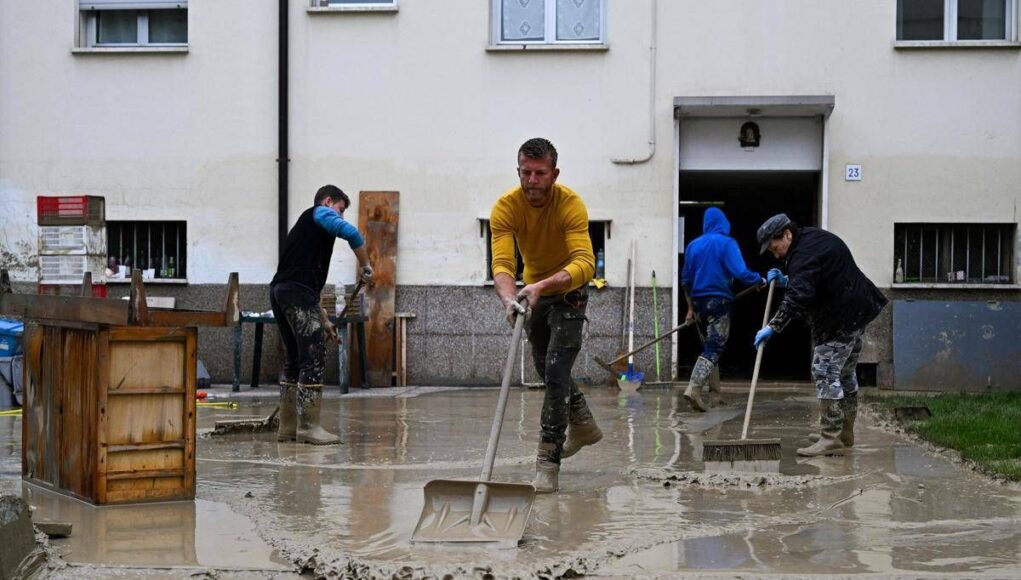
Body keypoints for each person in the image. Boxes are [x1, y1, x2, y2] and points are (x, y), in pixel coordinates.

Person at [490, 137, 600, 493]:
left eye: (540, 173)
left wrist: (542, 286)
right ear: (518, 171)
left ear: (554, 173)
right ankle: (582, 422)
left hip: (568, 291)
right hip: (532, 293)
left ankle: (547, 461)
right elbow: (504, 264)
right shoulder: (505, 208)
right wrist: (510, 299)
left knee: (555, 370)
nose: (532, 180)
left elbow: (585, 263)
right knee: (544, 364)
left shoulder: (571, 205)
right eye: (526, 173)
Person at [753, 213, 887, 457]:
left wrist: (772, 327)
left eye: (775, 248)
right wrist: (787, 279)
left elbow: (798, 296)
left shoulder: (802, 254)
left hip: (842, 316)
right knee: (845, 372)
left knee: (824, 370)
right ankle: (844, 432)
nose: (776, 255)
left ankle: (831, 436)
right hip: (858, 309)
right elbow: (813, 277)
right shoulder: (810, 238)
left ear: (787, 235)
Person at [270, 185, 373, 445]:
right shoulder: (319, 213)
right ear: (328, 201)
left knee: (294, 359)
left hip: (281, 291)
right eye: (340, 209)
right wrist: (366, 265)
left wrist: (324, 320)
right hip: (295, 293)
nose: (340, 217)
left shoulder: (306, 230)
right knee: (313, 356)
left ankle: (288, 427)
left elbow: (306, 287)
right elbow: (352, 234)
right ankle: (309, 428)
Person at [679, 207, 763, 412]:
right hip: (719, 301)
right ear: (724, 223)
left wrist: (690, 309)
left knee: (709, 347)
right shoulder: (727, 243)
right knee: (715, 347)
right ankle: (694, 388)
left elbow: (685, 280)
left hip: (698, 303)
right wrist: (758, 279)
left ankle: (715, 396)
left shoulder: (693, 246)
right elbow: (739, 271)